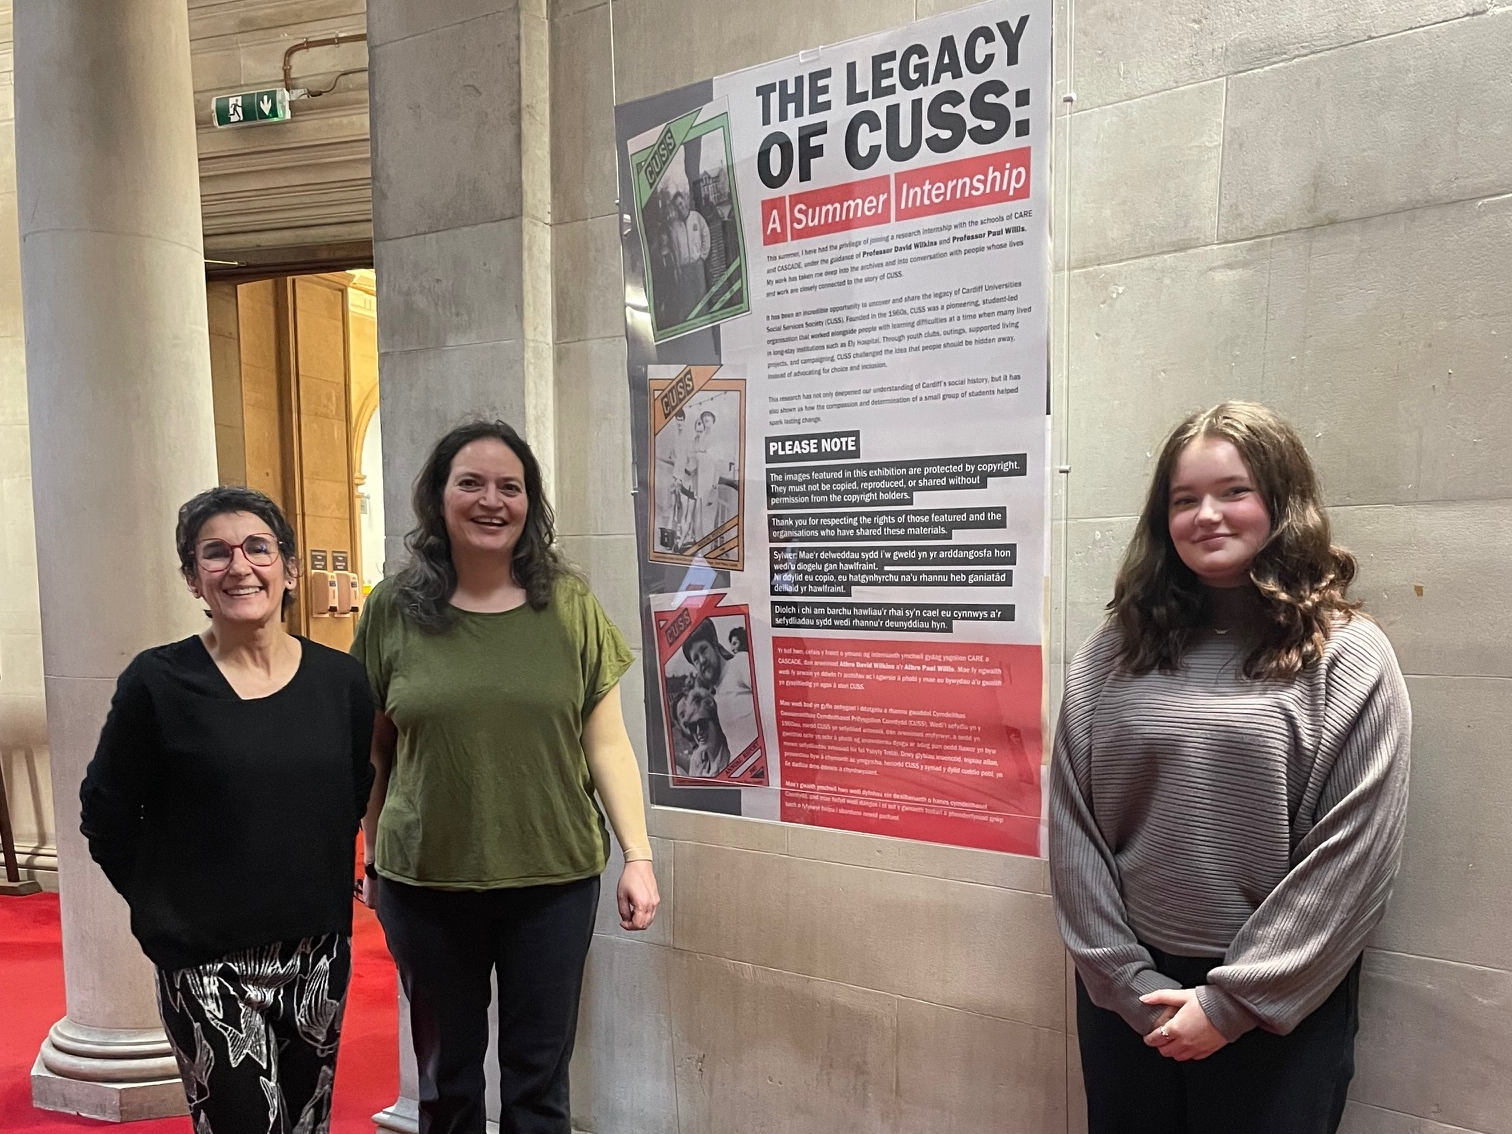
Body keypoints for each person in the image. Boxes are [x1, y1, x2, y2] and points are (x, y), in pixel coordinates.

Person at [1049, 402, 1410, 1134]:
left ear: (1281, 501)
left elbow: (1353, 859)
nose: (1207, 515)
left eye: (1233, 491)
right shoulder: (1115, 649)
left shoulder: (1346, 656)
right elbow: (1072, 828)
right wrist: (1127, 984)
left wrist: (1229, 1006)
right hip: (1130, 1003)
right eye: (1184, 500)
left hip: (1282, 1009)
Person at [352, 420, 660, 1134]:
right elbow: (371, 750)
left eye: (510, 487)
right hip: (425, 880)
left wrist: (638, 856)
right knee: (446, 1082)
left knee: (538, 1085)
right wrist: (372, 852)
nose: (492, 500)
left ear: (529, 503)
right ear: (438, 497)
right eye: (471, 483)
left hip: (551, 880)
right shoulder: (392, 611)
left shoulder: (570, 607)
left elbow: (606, 741)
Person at [80, 486, 375, 1134]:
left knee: (306, 1126)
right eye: (216, 553)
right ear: (193, 578)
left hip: (316, 954)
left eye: (257, 548)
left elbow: (353, 788)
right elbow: (105, 814)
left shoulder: (341, 682)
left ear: (289, 569)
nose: (239, 566)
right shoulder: (157, 684)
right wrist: (166, 910)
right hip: (208, 963)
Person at [681, 620, 758, 761]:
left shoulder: (739, 663)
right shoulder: (714, 698)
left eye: (703, 650)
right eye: (696, 659)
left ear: (715, 645)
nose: (702, 660)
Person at [668, 189, 710, 323]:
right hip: (685, 268)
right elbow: (674, 249)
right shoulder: (674, 227)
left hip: (697, 265)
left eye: (681, 204)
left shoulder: (696, 217)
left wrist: (703, 255)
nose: (680, 208)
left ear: (685, 202)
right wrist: (678, 267)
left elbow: (706, 234)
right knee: (689, 301)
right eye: (677, 206)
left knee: (702, 297)